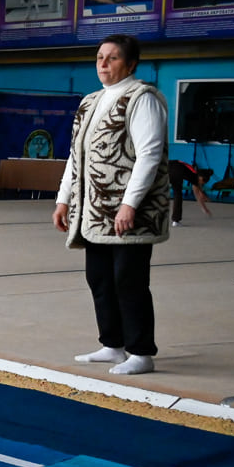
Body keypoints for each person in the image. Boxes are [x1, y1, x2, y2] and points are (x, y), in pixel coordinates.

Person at [52, 34, 170, 376]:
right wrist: (64, 199)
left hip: (128, 213)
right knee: (99, 278)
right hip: (94, 210)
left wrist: (129, 204)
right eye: (100, 57)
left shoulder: (142, 99)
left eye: (112, 58)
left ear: (130, 64)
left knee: (129, 279)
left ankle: (141, 351)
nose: (103, 63)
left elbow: (149, 154)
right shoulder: (90, 101)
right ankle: (113, 345)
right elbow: (76, 157)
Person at [168, 159, 212, 226]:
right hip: (175, 170)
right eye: (203, 183)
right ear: (201, 178)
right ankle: (175, 221)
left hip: (166, 165)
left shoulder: (193, 172)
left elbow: (200, 192)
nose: (201, 185)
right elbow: (198, 195)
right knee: (178, 195)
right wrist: (204, 208)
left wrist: (204, 198)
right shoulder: (195, 177)